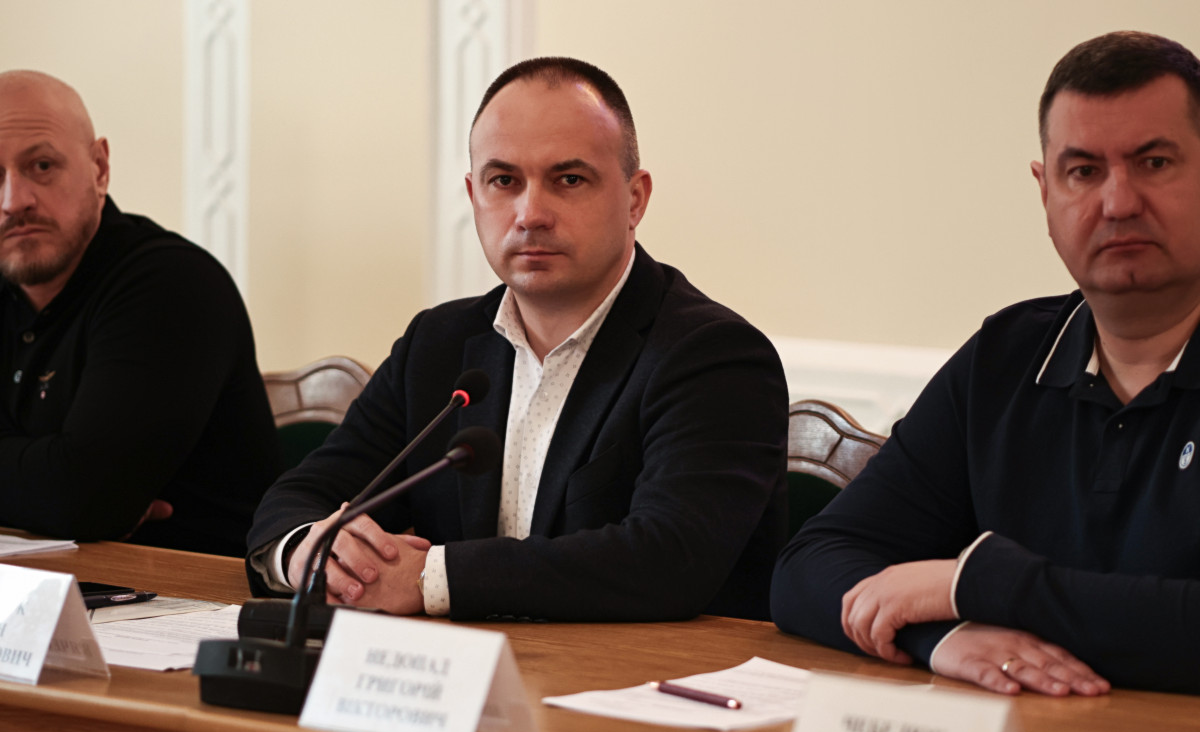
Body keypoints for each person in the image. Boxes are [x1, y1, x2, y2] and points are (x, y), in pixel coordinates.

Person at [246, 57, 787, 622]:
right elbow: (301, 496)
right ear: (473, 195)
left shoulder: (714, 356)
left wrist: (430, 578)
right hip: (462, 668)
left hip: (647, 672)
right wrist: (309, 549)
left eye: (568, 180)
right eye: (504, 181)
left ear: (634, 199)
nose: (531, 214)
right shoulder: (439, 343)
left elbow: (667, 559)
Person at [772, 31, 1200, 696]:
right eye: (1083, 172)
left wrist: (979, 584)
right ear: (1045, 192)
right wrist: (942, 637)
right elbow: (811, 565)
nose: (1118, 203)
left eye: (1154, 163)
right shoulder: (1006, 356)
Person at [0, 70, 280, 556]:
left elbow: (84, 497)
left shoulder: (171, 282)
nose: (14, 201)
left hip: (187, 590)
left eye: (42, 166)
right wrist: (46, 487)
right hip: (42, 583)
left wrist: (71, 491)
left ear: (99, 168)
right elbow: (73, 495)